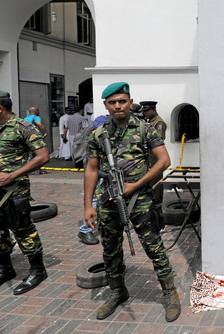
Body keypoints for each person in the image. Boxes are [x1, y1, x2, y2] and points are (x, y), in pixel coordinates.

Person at [83, 82, 180, 321]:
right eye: (112, 102)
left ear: (130, 102)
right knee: (110, 249)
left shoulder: (146, 129)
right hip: (108, 201)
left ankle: (170, 292)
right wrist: (87, 206)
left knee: (153, 247)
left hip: (140, 200)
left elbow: (164, 161)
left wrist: (135, 186)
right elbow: (92, 169)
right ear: (105, 105)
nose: (118, 106)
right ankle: (118, 291)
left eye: (122, 101)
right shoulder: (98, 133)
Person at [0, 89, 50, 295]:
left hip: (13, 191)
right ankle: (4, 269)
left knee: (23, 230)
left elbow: (42, 157)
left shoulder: (23, 127)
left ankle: (38, 270)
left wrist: (11, 175)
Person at [77, 115, 109, 246]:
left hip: (102, 174)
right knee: (95, 200)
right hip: (97, 175)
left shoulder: (102, 138)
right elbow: (89, 165)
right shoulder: (94, 140)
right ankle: (85, 230)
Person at [140, 101, 167, 212]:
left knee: (155, 187)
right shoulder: (148, 122)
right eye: (144, 111)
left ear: (153, 109)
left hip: (155, 161)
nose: (145, 113)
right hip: (148, 160)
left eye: (146, 110)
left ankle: (157, 216)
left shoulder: (158, 122)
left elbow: (158, 140)